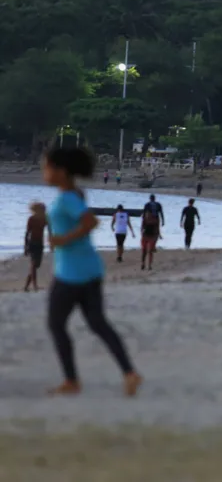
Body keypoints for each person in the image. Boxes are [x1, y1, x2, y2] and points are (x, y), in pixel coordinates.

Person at [37, 146, 141, 397]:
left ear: (61, 172)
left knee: (56, 324)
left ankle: (72, 381)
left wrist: (64, 240)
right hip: (88, 268)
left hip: (72, 273)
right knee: (97, 323)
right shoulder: (72, 194)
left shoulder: (67, 198)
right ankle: (129, 373)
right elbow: (78, 219)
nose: (44, 172)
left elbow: (91, 222)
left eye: (46, 167)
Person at [24, 203, 47, 292]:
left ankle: (26, 286)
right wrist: (25, 247)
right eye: (43, 210)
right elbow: (27, 233)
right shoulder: (31, 219)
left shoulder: (44, 219)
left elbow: (50, 229)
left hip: (40, 244)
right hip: (32, 243)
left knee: (37, 265)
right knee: (33, 265)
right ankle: (35, 286)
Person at [140, 205, 161, 271]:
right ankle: (143, 263)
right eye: (146, 213)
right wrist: (142, 234)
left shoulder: (155, 219)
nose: (147, 214)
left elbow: (157, 229)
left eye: (148, 213)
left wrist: (157, 236)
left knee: (150, 252)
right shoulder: (144, 219)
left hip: (152, 236)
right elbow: (142, 227)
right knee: (144, 251)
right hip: (145, 236)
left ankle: (149, 265)